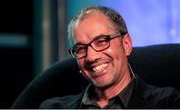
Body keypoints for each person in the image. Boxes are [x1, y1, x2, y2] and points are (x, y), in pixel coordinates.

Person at [39, 6, 180, 108]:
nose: (91, 57)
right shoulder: (52, 108)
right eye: (81, 49)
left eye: (101, 42)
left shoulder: (168, 103)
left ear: (126, 44)